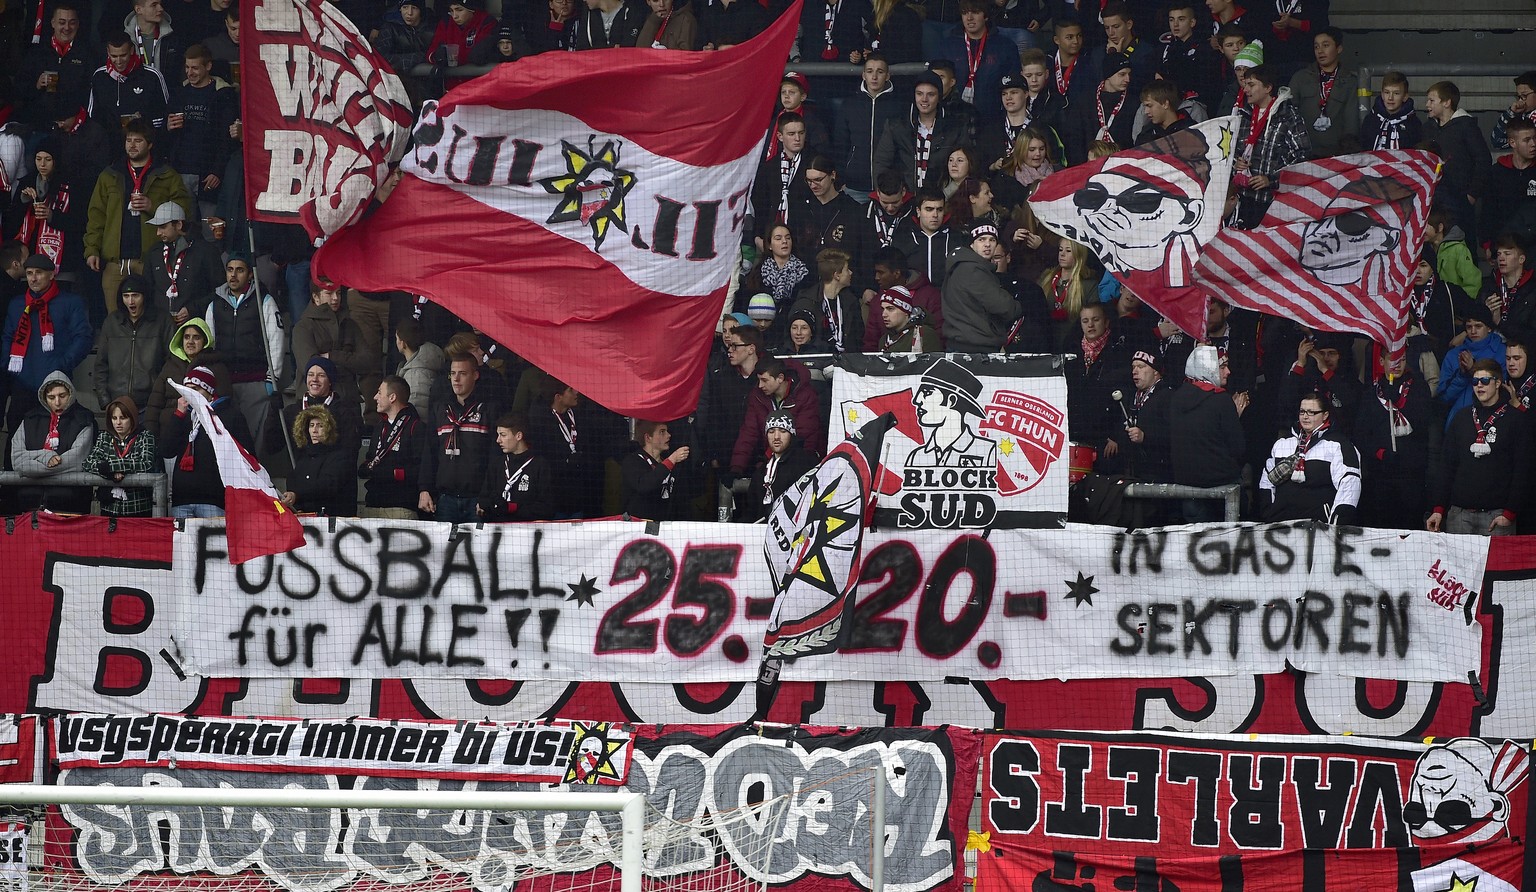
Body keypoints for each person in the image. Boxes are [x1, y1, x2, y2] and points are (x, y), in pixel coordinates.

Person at [83, 121, 191, 313]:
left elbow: (184, 210)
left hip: (151, 261)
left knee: (150, 316)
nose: (131, 145)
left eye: (138, 141)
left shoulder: (166, 174)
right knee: (116, 319)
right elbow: (96, 216)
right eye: (128, 140)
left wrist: (153, 207)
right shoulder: (110, 174)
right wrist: (92, 249)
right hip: (116, 263)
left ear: (149, 144)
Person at [1427, 358, 1528, 536]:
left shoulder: (1515, 420)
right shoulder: (1461, 417)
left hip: (1497, 516)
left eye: (1485, 381)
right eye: (1474, 381)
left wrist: (1510, 512)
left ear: (1497, 383)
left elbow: (1522, 470)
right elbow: (1446, 466)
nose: (1479, 385)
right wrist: (1438, 508)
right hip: (1460, 515)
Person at [3, 254, 93, 434]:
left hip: (56, 383)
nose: (33, 278)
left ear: (51, 275)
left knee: (56, 435)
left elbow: (83, 338)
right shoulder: (17, 304)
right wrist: (7, 365)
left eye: (39, 273)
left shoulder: (70, 302)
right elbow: (7, 337)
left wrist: (61, 365)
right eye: (29, 273)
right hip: (23, 381)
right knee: (16, 432)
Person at [202, 253, 283, 450]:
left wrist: (272, 379)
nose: (233, 275)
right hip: (225, 382)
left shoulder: (264, 301)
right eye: (230, 270)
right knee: (228, 442)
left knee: (253, 442)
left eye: (239, 270)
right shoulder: (215, 303)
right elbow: (209, 344)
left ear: (249, 274)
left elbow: (276, 340)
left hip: (255, 382)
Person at [161, 365, 252, 518]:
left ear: (209, 392)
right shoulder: (182, 416)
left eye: (196, 389)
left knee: (212, 543)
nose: (190, 394)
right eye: (186, 390)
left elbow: (247, 456)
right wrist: (177, 416)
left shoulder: (229, 415)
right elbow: (166, 450)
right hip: (182, 500)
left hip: (213, 499)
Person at [420, 354, 501, 523]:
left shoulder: (489, 409)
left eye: (462, 373)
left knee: (477, 550)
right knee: (445, 550)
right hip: (445, 499)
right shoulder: (440, 409)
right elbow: (430, 451)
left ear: (475, 375)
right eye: (452, 373)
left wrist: (487, 495)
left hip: (477, 499)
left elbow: (495, 457)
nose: (456, 379)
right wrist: (425, 489)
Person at [1355, 352, 1432, 530]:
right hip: (1381, 475)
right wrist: (1380, 453)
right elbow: (1361, 434)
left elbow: (1424, 421)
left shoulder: (1419, 387)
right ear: (1381, 361)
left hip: (1411, 474)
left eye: (1402, 360)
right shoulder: (1371, 393)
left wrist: (1399, 400)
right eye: (1392, 360)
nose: (1397, 365)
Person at [1260, 392, 1361, 524]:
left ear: (1325, 415)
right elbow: (1266, 481)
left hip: (1318, 530)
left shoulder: (1338, 445)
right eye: (1302, 412)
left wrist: (1336, 524)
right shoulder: (1282, 444)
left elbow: (1350, 484)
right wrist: (1269, 513)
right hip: (1280, 526)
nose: (1305, 417)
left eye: (1311, 412)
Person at [1169, 345, 1244, 522]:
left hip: (1187, 487)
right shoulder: (1221, 400)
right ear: (1208, 368)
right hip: (1223, 486)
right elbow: (1238, 448)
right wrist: (1235, 417)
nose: (1228, 371)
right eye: (1222, 367)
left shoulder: (1175, 399)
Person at [1230, 63, 1310, 228]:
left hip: (1273, 201)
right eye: (1245, 85)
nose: (1245, 90)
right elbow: (1230, 151)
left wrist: (1271, 180)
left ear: (1268, 87)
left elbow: (1303, 155)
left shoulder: (1288, 115)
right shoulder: (1243, 115)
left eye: (1251, 85)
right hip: (1243, 198)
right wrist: (1235, 163)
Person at [10, 371, 97, 514]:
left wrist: (32, 471)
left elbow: (76, 460)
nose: (57, 402)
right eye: (51, 397)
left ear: (71, 393)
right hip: (30, 506)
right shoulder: (29, 419)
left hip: (70, 506)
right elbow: (16, 459)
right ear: (44, 397)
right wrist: (45, 456)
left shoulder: (84, 420)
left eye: (62, 396)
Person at [168, 44, 237, 215]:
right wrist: (167, 126)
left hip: (208, 175)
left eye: (195, 68)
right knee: (182, 228)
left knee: (211, 232)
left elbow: (227, 139)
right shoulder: (179, 93)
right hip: (181, 172)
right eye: (187, 67)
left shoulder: (223, 95)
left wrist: (217, 171)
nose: (189, 73)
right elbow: (165, 136)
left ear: (208, 66)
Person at [873, 71, 969, 193]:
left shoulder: (955, 127)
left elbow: (965, 166)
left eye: (931, 94)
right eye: (919, 94)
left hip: (942, 200)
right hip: (903, 199)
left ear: (939, 96)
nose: (924, 99)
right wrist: (891, 195)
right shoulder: (897, 125)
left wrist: (948, 195)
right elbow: (881, 163)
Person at [292, 281, 379, 415]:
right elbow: (309, 367)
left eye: (338, 293)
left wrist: (331, 356)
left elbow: (367, 362)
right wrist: (348, 363)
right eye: (329, 293)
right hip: (315, 406)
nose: (335, 298)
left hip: (348, 402)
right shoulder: (303, 327)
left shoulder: (350, 324)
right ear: (315, 297)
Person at [1063, 302, 1137, 454]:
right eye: (1085, 321)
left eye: (1095, 319)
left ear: (1106, 322)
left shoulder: (1119, 352)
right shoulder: (1070, 352)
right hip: (1075, 433)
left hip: (1106, 440)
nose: (1090, 325)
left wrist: (1116, 435)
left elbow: (1128, 395)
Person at [92, 274, 173, 412]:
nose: (130, 302)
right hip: (117, 405)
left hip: (151, 404)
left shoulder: (162, 321)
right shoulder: (112, 322)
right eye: (126, 296)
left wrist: (161, 399)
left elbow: (172, 362)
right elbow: (101, 365)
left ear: (145, 296)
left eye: (135, 295)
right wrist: (105, 401)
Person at [1424, 81, 1491, 248]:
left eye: (1432, 100)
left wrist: (1472, 195)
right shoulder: (1428, 128)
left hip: (1461, 202)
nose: (1427, 105)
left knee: (1463, 249)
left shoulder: (1466, 127)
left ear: (1447, 102)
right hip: (1435, 201)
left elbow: (1483, 159)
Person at [731, 356, 824, 476]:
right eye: (759, 380)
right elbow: (749, 433)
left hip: (802, 463)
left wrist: (767, 458)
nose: (760, 385)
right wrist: (737, 467)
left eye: (764, 380)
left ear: (780, 378)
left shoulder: (806, 395)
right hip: (768, 461)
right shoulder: (757, 396)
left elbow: (802, 434)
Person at [356, 376, 428, 518]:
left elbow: (421, 469)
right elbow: (370, 459)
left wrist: (391, 473)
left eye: (380, 392)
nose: (375, 397)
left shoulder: (416, 427)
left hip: (401, 507)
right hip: (373, 504)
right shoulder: (379, 428)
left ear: (392, 397)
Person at [145, 316, 228, 439]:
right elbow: (154, 404)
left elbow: (225, 404)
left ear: (205, 341)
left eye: (196, 337)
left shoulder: (216, 367)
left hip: (204, 434)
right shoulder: (170, 365)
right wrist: (151, 436)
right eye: (186, 337)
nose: (190, 342)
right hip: (169, 432)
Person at [17, 2, 97, 128]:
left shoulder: (87, 55)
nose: (67, 27)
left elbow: (92, 96)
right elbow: (19, 92)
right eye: (61, 22)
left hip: (76, 128)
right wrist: (36, 85)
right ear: (53, 23)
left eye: (72, 22)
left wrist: (78, 119)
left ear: (78, 25)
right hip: (39, 127)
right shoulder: (36, 53)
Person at [832, 54, 902, 200]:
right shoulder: (850, 104)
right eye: (870, 71)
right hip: (854, 185)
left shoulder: (900, 105)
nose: (874, 77)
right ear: (863, 75)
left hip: (890, 188)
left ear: (888, 75)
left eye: (880, 72)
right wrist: (841, 178)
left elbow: (905, 147)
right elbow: (840, 144)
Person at [943, 221, 1016, 354]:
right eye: (981, 239)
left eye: (992, 240)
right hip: (974, 349)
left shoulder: (963, 265)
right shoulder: (972, 270)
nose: (987, 244)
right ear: (972, 244)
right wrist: (1017, 306)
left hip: (962, 345)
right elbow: (1003, 306)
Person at [938, 0, 1017, 123]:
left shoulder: (1005, 45)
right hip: (954, 118)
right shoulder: (947, 45)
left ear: (985, 16)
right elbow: (937, 80)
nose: (969, 18)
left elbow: (1014, 81)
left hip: (993, 117)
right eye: (964, 13)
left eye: (975, 12)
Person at [144, 201, 223, 323]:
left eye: (163, 227)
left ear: (179, 224)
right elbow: (147, 290)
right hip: (161, 327)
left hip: (195, 326)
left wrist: (193, 309)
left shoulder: (206, 251)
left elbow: (220, 291)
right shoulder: (154, 252)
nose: (158, 233)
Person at [1286, 28, 1359, 157]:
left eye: (1326, 45)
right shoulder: (1300, 78)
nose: (1320, 51)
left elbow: (1351, 120)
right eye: (1316, 47)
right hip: (1303, 152)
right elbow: (1288, 114)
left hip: (1337, 154)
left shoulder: (1349, 81)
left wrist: (1347, 151)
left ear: (1339, 48)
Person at [1104, 349, 1172, 481]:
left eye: (1141, 367)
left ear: (1155, 371)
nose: (1135, 371)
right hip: (1132, 471)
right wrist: (1115, 437)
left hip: (1158, 475)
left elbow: (1173, 435)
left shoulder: (1168, 397)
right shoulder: (1131, 396)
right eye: (1133, 367)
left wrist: (1145, 437)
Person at [86, 32, 170, 139]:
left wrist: (142, 124)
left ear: (131, 50)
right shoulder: (99, 77)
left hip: (142, 145)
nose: (119, 61)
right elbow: (93, 116)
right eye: (114, 56)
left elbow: (163, 116)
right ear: (108, 52)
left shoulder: (152, 76)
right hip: (109, 146)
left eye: (123, 55)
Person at [86, 395, 159, 517]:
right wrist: (110, 473)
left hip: (138, 510)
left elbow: (146, 463)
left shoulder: (145, 436)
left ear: (132, 418)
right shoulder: (104, 437)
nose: (118, 423)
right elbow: (88, 462)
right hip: (109, 509)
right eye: (114, 418)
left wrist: (112, 467)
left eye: (123, 418)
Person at [1437, 303, 1506, 427]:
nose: (1473, 331)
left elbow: (1504, 391)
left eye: (1478, 326)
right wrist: (1463, 375)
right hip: (1459, 423)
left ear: (1489, 328)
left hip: (1494, 422)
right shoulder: (1453, 355)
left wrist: (1474, 370)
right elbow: (1444, 398)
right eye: (1469, 327)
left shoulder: (1502, 352)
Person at [478, 412, 554, 521]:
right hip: (498, 530)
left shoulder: (539, 465)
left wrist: (513, 508)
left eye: (503, 435)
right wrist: (495, 506)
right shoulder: (497, 463)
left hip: (526, 532)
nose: (498, 440)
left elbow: (546, 508)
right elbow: (483, 499)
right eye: (498, 435)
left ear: (518, 436)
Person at [744, 411, 818, 521]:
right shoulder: (760, 473)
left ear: (791, 434)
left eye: (783, 431)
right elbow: (750, 512)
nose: (776, 437)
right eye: (771, 431)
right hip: (761, 533)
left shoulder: (805, 464)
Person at [281, 406, 355, 515]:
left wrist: (297, 495)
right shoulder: (303, 457)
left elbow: (327, 486)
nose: (315, 430)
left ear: (329, 429)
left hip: (330, 520)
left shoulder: (339, 456)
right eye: (311, 426)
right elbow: (293, 483)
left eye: (320, 426)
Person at [790, 248, 863, 353]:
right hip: (816, 364)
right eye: (847, 269)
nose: (850, 273)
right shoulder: (805, 303)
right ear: (837, 275)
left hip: (848, 363)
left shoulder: (851, 302)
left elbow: (858, 337)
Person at [753, 114, 812, 240]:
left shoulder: (814, 163)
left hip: (805, 237)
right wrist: (758, 236)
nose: (797, 138)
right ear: (780, 136)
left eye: (801, 133)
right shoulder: (768, 167)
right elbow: (760, 204)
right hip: (773, 236)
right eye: (791, 134)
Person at [1158, 1, 1223, 112]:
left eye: (1181, 19)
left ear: (1192, 22)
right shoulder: (1167, 48)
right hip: (1168, 102)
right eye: (1171, 20)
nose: (1175, 24)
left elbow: (1204, 84)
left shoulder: (1204, 48)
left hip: (1196, 104)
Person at [1481, 119, 1536, 248]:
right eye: (1527, 140)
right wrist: (1487, 243)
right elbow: (1488, 210)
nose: (1533, 144)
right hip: (1506, 245)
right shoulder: (1497, 172)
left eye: (1534, 138)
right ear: (1512, 142)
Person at [620, 420, 688, 520]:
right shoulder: (632, 461)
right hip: (640, 526)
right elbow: (643, 485)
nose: (668, 435)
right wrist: (671, 460)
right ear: (648, 437)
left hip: (667, 526)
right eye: (662, 432)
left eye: (667, 431)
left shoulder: (668, 461)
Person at [377, 0, 436, 105]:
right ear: (400, 9)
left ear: (421, 10)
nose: (409, 13)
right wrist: (420, 57)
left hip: (429, 92)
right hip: (398, 92)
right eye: (405, 7)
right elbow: (380, 58)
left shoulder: (432, 29)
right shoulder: (389, 28)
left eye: (414, 8)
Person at [894, 187, 955, 288]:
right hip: (912, 298)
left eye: (939, 210)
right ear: (918, 211)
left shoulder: (955, 237)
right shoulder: (904, 238)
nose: (935, 215)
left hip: (948, 299)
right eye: (929, 209)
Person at [428, 0, 498, 78]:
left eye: (459, 10)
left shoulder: (486, 22)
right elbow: (431, 52)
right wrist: (437, 56)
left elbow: (478, 56)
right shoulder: (446, 22)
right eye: (451, 10)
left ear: (472, 9)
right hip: (451, 85)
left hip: (477, 84)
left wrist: (456, 57)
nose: (454, 16)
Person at [394, 317, 446, 419]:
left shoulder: (416, 374)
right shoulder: (417, 366)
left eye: (397, 338)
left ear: (402, 343)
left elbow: (418, 411)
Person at [1360, 70, 1423, 152]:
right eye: (1387, 92)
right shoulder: (1371, 120)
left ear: (1405, 96)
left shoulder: (1413, 124)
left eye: (1396, 93)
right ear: (1382, 94)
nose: (1390, 98)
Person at [1483, 234, 1535, 330]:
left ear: (1521, 259)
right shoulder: (1488, 286)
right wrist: (1484, 313)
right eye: (1499, 254)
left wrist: (1499, 323)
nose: (1501, 258)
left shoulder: (1532, 289)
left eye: (1507, 254)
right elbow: (1473, 322)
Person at [877, 285, 940, 353]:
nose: (884, 315)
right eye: (883, 309)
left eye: (890, 309)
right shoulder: (884, 339)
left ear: (906, 311)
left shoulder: (924, 334)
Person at [1489, 71, 1536, 153]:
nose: (1520, 100)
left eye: (1524, 96)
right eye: (1518, 96)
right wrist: (1510, 113)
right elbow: (1497, 142)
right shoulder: (1521, 117)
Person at [697, 0, 767, 49]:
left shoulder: (756, 12)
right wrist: (706, 51)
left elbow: (760, 48)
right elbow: (699, 47)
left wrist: (735, 51)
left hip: (744, 67)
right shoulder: (707, 13)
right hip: (716, 68)